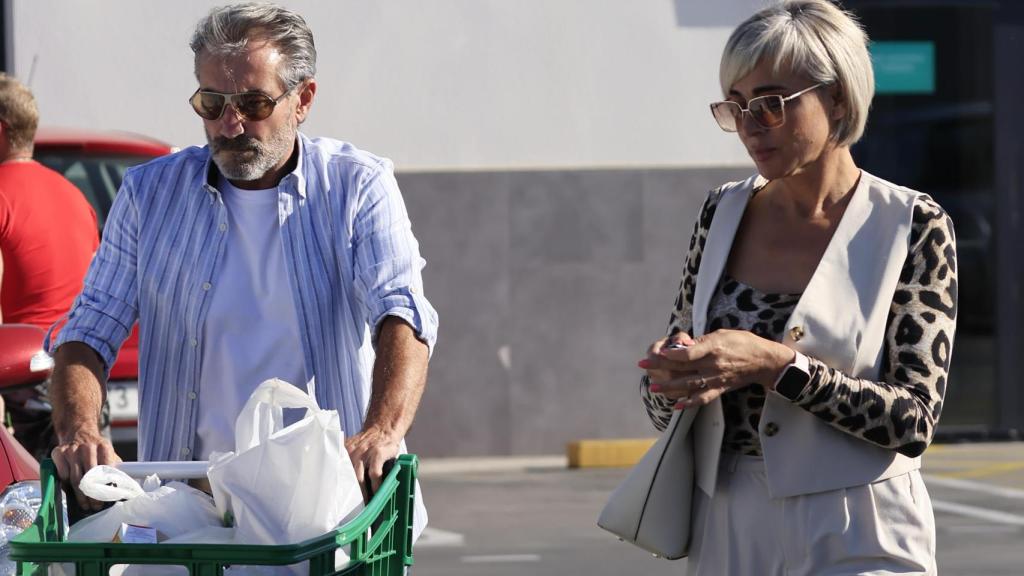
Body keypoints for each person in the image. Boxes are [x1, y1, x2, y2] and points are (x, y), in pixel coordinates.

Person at [47, 2, 438, 534]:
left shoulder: (356, 186)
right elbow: (88, 330)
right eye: (212, 102)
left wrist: (381, 433)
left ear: (303, 100)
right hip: (186, 509)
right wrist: (79, 430)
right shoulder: (148, 194)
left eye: (254, 103)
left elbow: (402, 313)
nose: (230, 124)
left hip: (326, 509)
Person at [638, 1, 957, 574]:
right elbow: (674, 382)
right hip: (728, 520)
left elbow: (913, 422)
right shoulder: (721, 212)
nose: (750, 125)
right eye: (734, 106)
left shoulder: (911, 223)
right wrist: (672, 376)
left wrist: (774, 364)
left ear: (837, 97)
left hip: (859, 520)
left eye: (770, 104)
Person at [0, 73, 101, 460]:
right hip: (84, 376)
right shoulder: (74, 195)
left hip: (22, 385)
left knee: (31, 515)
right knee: (90, 503)